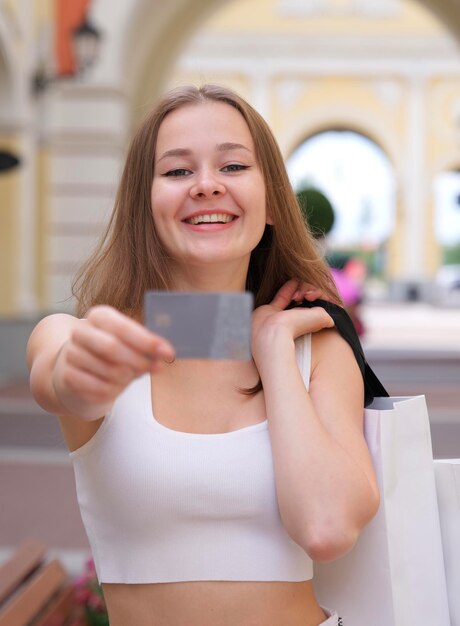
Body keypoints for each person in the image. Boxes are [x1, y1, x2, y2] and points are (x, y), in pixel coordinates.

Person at [27, 84, 380, 626]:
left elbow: (326, 527)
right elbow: (61, 375)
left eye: (234, 166)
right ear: (144, 206)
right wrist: (78, 376)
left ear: (270, 204)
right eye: (176, 172)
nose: (207, 186)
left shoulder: (316, 348)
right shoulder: (87, 339)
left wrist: (271, 352)